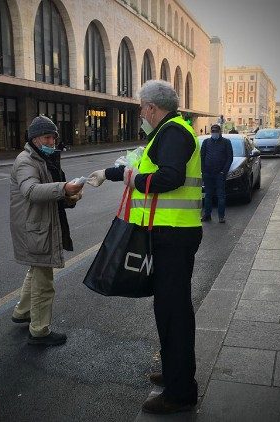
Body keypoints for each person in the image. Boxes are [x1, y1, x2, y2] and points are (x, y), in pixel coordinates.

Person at [86, 80, 203, 415]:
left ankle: (181, 393)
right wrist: (108, 173)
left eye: (141, 107)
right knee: (167, 310)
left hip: (174, 238)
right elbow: (137, 164)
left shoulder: (174, 133)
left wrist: (135, 182)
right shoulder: (165, 132)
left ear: (153, 107)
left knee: (174, 313)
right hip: (168, 236)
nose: (140, 113)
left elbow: (170, 177)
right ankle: (174, 373)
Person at [9, 115, 83, 347]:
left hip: (39, 225)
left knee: (37, 270)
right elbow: (31, 190)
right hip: (35, 227)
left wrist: (69, 195)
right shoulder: (26, 161)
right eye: (47, 137)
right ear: (34, 138)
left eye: (54, 137)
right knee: (44, 281)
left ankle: (22, 312)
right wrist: (63, 188)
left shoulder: (44, 159)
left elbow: (53, 195)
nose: (52, 141)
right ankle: (39, 331)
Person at [200, 124, 233, 223]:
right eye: (213, 131)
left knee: (221, 196)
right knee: (208, 195)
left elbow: (229, 158)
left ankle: (221, 216)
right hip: (208, 174)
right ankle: (207, 215)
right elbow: (202, 157)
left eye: (216, 131)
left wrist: (224, 171)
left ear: (220, 132)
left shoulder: (226, 142)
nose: (214, 133)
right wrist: (203, 170)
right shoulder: (206, 142)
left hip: (220, 174)